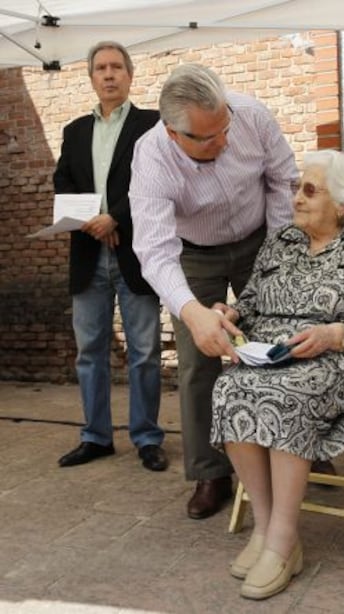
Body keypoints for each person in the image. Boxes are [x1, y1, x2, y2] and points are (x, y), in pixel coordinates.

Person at [209, 149, 344, 601]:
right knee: (230, 388)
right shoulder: (283, 240)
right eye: (297, 188)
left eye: (309, 190)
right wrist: (231, 311)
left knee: (287, 392)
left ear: (341, 202)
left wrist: (337, 333)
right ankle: (265, 527)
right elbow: (254, 299)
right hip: (276, 355)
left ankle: (282, 540)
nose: (296, 198)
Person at [129, 63, 298, 519]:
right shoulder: (150, 158)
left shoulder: (250, 115)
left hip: (261, 239)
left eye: (224, 128)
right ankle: (211, 471)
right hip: (193, 253)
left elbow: (284, 181)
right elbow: (154, 250)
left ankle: (296, 445)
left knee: (279, 342)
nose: (222, 141)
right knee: (198, 361)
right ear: (172, 133)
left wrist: (276, 260)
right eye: (207, 138)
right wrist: (190, 310)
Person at [54, 41, 168, 472]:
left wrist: (114, 218)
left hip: (136, 255)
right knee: (89, 353)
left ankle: (147, 437)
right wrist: (89, 220)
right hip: (87, 255)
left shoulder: (153, 125)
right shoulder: (74, 131)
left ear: (130, 75)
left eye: (116, 67)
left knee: (144, 351)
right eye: (100, 68)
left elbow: (158, 182)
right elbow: (62, 182)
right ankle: (96, 437)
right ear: (91, 77)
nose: (108, 74)